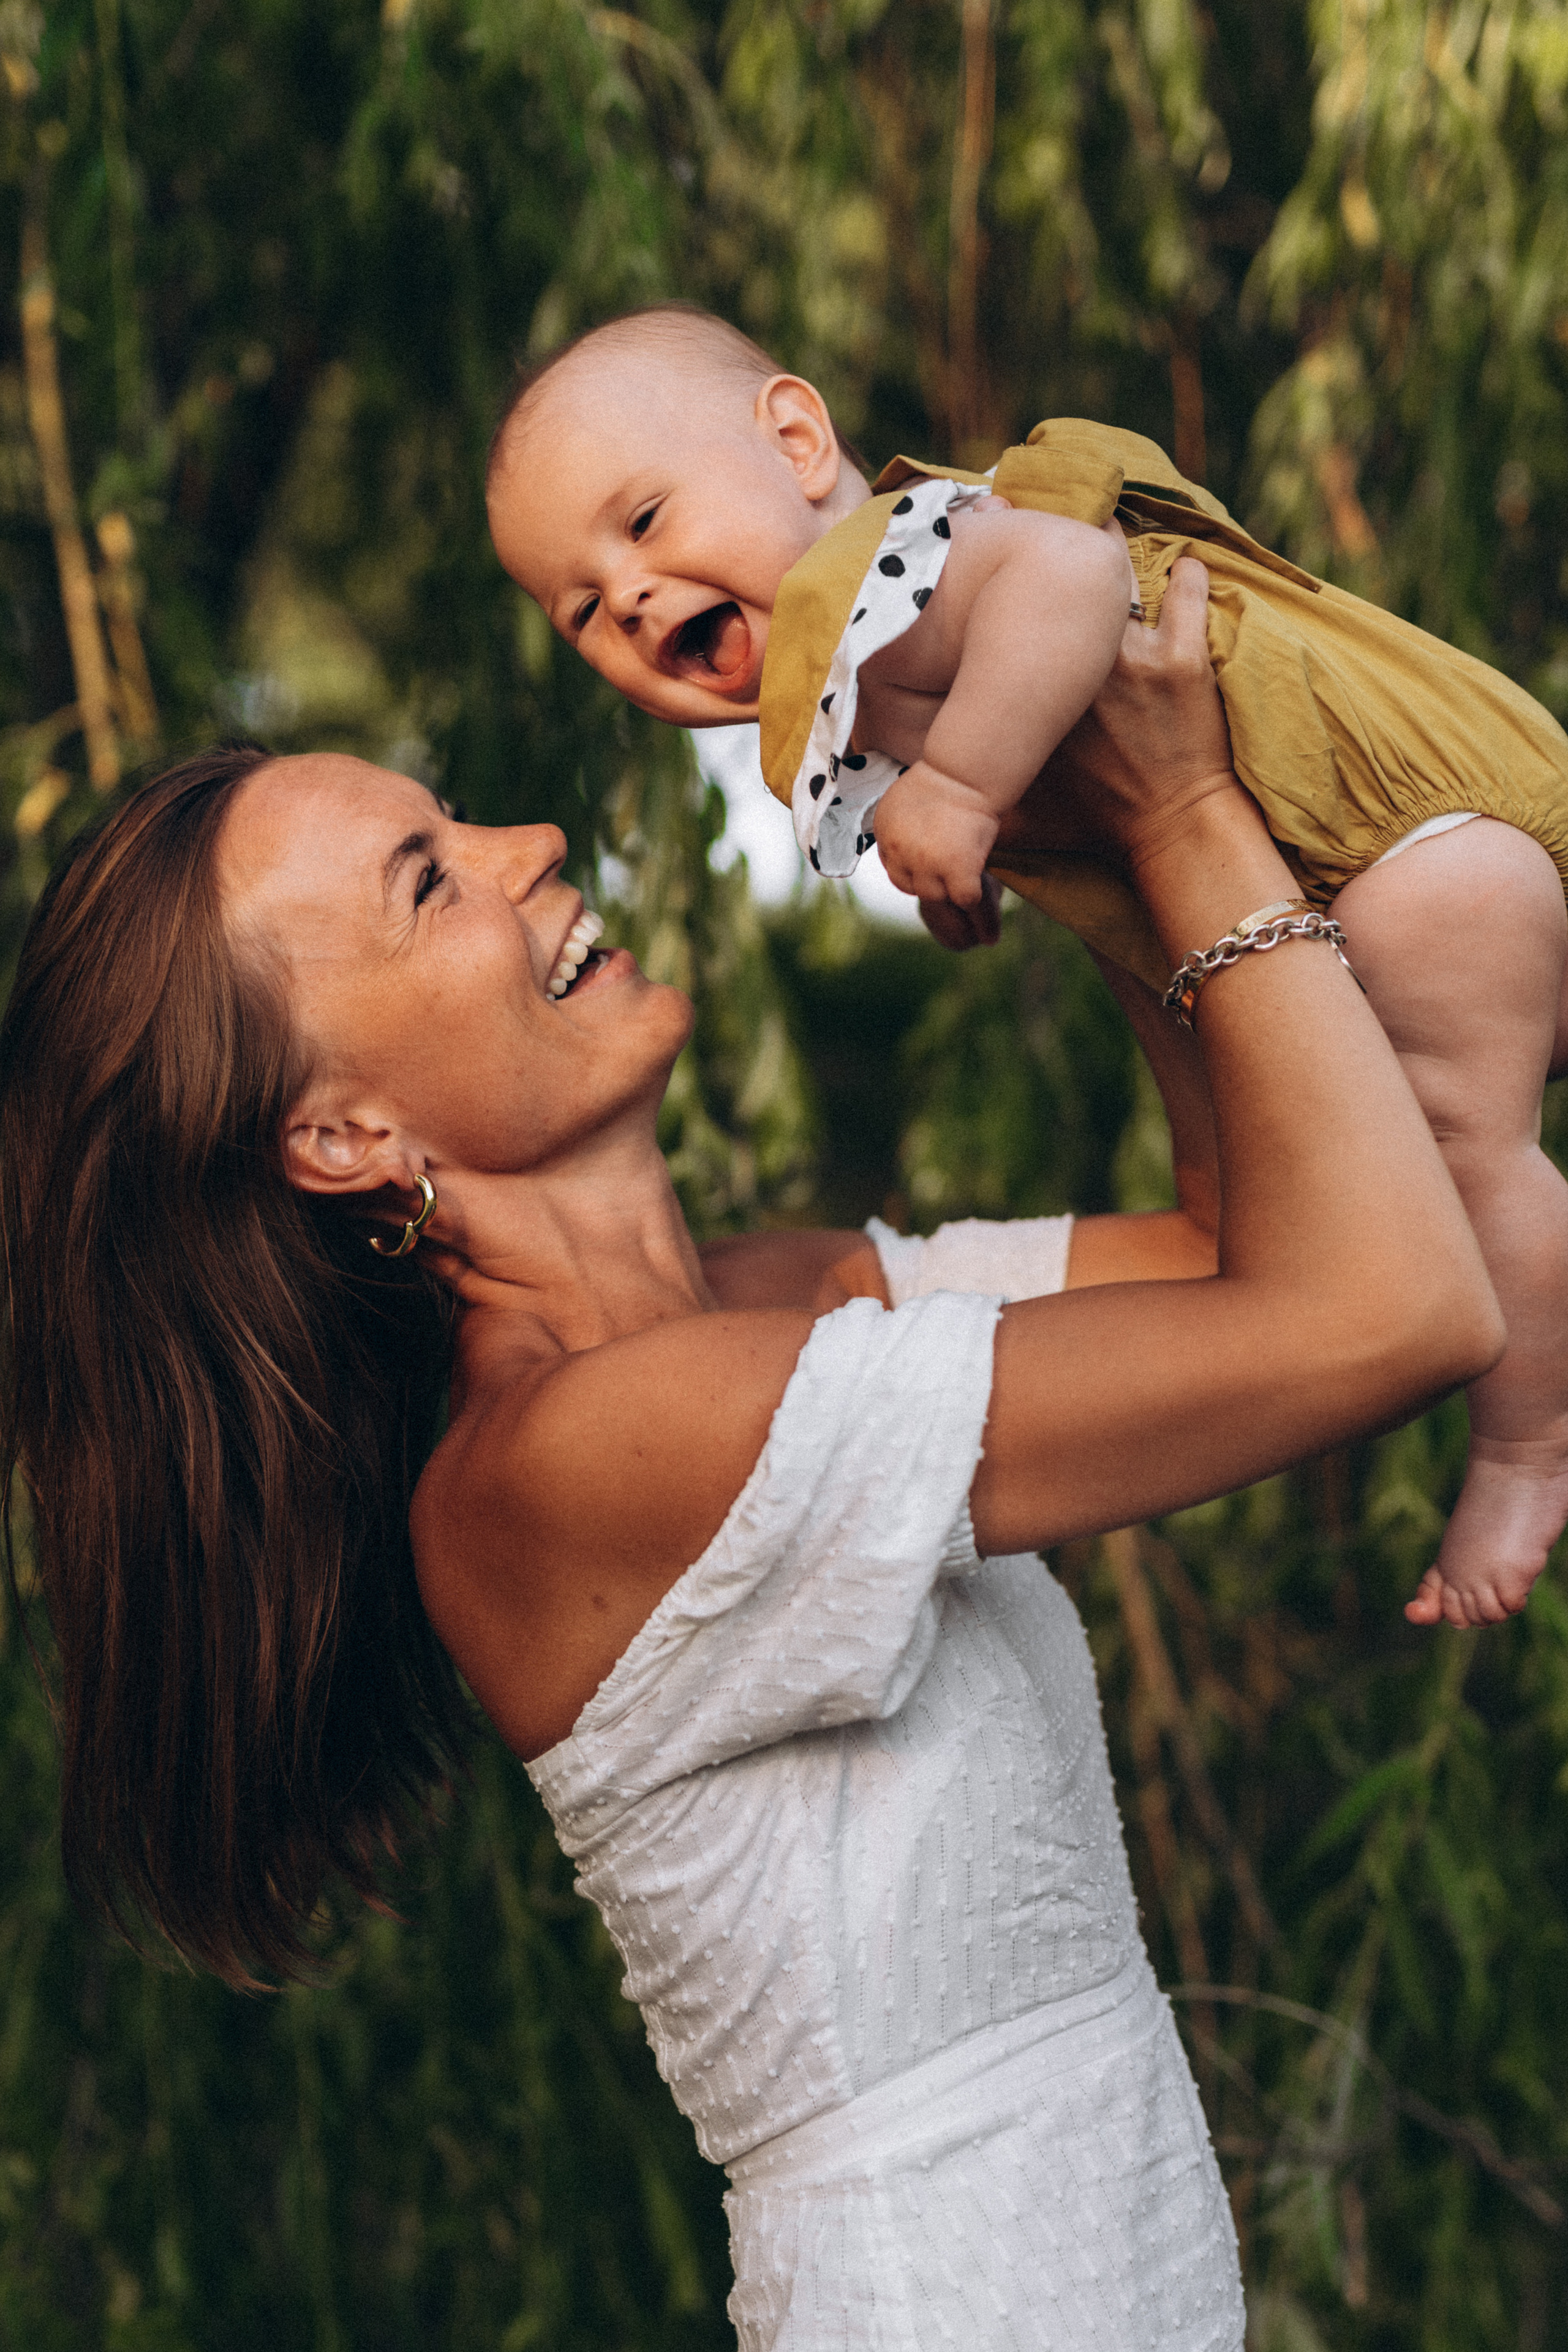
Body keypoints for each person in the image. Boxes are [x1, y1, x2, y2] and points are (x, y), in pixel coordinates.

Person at [0, 569, 1499, 2351]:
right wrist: (1181, 813)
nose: (532, 842)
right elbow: (1390, 1308)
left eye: (457, 819)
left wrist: (1075, 835)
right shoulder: (577, 1455)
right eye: (428, 879)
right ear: (341, 1134)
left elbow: (1238, 1243)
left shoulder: (779, 1308)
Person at [486, 303, 1568, 1632]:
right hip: (1376, 861)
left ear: (797, 439)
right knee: (1396, 1149)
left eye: (644, 522)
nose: (628, 596)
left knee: (1461, 1147)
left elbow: (1071, 578)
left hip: (1414, 848)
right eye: (581, 610)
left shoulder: (887, 563)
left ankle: (1528, 1447)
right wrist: (980, 840)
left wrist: (960, 786)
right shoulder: (864, 655)